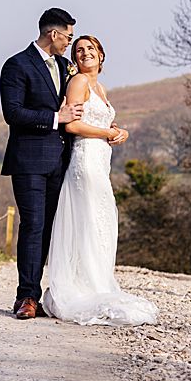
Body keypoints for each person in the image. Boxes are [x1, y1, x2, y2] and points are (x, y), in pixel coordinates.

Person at [42, 36, 157, 325]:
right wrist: (107, 134)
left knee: (100, 222)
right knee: (90, 221)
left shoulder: (100, 87)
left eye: (90, 49)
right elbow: (73, 124)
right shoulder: (78, 82)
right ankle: (86, 286)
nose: (84, 53)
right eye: (79, 50)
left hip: (100, 161)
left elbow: (101, 122)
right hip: (85, 162)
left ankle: (99, 282)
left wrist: (118, 131)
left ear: (101, 55)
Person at [0, 7, 87, 320]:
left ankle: (52, 296)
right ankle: (26, 298)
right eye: (68, 36)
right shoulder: (16, 65)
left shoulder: (66, 67)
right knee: (33, 226)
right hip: (28, 161)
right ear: (53, 33)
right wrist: (55, 118)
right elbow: (13, 113)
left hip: (61, 162)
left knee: (52, 229)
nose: (69, 43)